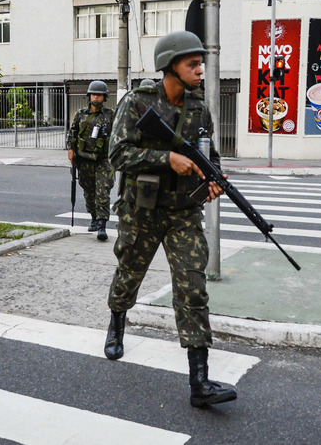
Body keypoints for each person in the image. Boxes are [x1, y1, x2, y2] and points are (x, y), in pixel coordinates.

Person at [102, 30, 237, 408]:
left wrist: (213, 180)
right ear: (170, 67)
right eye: (192, 64)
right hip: (142, 211)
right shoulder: (137, 102)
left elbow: (211, 156)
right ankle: (117, 322)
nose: (199, 70)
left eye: (200, 64)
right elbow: (117, 155)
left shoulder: (199, 108)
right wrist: (166, 159)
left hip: (183, 214)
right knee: (129, 273)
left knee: (193, 288)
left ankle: (200, 383)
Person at [67, 80, 116, 240]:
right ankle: (94, 218)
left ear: (104, 97)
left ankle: (102, 226)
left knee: (103, 192)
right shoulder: (81, 114)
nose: (96, 97)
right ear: (89, 96)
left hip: (103, 160)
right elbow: (72, 132)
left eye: (99, 94)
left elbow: (118, 136)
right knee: (89, 193)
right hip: (84, 160)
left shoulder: (110, 115)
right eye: (94, 94)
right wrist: (71, 149)